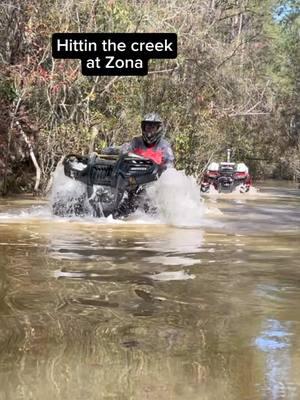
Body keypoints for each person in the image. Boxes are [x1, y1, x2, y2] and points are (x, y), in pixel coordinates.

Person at [113, 113, 174, 218]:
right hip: (131, 181)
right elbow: (124, 150)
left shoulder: (164, 145)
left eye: (153, 127)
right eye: (148, 126)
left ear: (158, 129)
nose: (150, 130)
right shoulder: (135, 142)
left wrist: (163, 169)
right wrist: (113, 150)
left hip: (152, 183)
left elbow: (170, 166)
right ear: (143, 127)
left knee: (148, 203)